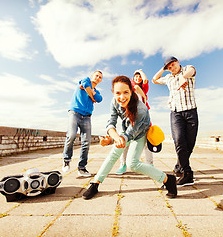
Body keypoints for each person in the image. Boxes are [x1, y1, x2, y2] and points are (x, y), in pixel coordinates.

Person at [82, 76, 177, 199]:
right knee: (113, 155)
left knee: (132, 164)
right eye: (118, 93)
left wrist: (116, 139)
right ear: (114, 93)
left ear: (131, 92)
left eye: (126, 92)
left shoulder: (141, 109)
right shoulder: (114, 101)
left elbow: (131, 133)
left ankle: (167, 179)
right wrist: (112, 138)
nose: (122, 97)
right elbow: (111, 121)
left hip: (140, 133)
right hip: (126, 130)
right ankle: (95, 183)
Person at [152, 56, 198, 186]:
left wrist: (184, 77)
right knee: (179, 141)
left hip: (191, 111)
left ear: (178, 63)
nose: (172, 68)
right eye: (169, 67)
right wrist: (163, 69)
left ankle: (179, 166)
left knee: (189, 144)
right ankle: (187, 173)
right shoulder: (168, 78)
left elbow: (192, 70)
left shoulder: (187, 70)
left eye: (173, 65)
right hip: (176, 113)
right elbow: (154, 80)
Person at [62, 71, 103, 177]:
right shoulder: (85, 80)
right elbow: (85, 86)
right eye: (96, 76)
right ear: (92, 76)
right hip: (74, 112)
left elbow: (99, 99)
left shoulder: (97, 91)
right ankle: (66, 160)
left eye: (100, 77)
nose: (98, 78)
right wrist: (92, 96)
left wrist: (93, 94)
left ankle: (82, 167)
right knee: (71, 135)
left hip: (87, 117)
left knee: (86, 142)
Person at [116, 69, 153, 175]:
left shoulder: (144, 88)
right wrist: (144, 96)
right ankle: (122, 165)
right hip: (131, 115)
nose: (138, 78)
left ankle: (150, 165)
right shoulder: (130, 86)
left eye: (139, 77)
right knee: (125, 141)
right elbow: (135, 87)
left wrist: (141, 72)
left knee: (147, 142)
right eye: (136, 76)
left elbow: (145, 80)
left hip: (144, 117)